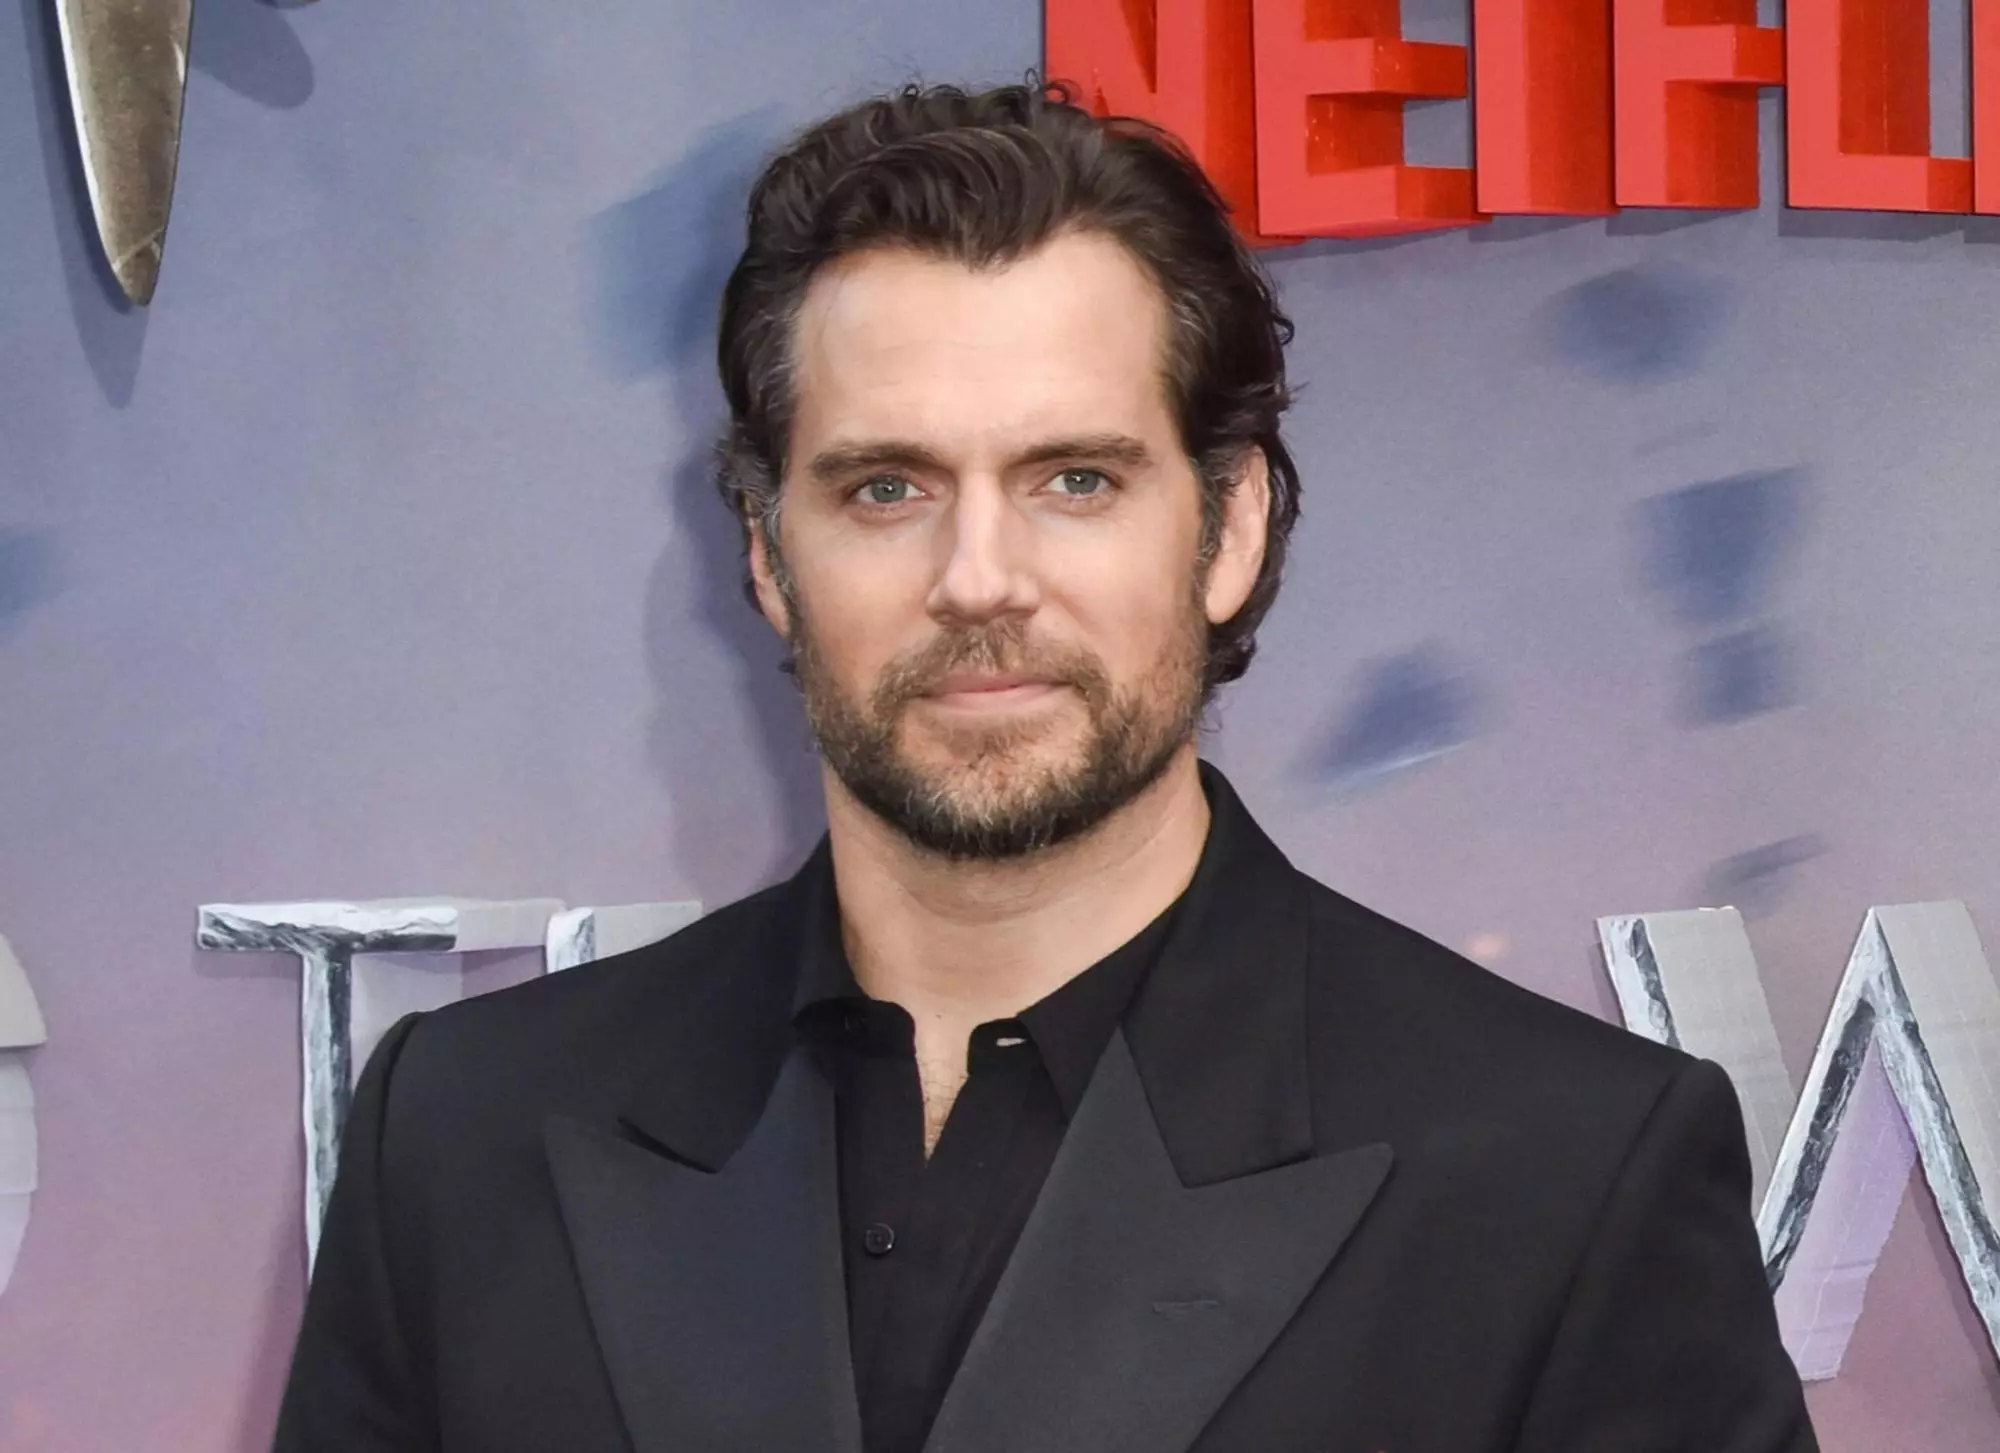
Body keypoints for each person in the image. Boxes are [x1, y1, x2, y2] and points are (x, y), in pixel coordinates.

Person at [273, 81, 1818, 1453]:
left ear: (1231, 527)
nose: (980, 579)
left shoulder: (1560, 1175)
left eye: (1075, 479)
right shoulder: (468, 1135)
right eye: (886, 489)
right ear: (764, 550)